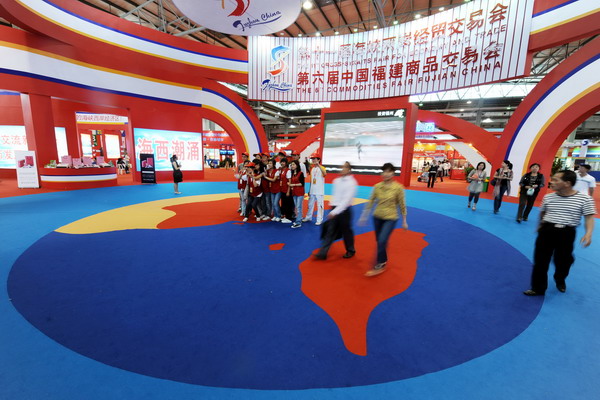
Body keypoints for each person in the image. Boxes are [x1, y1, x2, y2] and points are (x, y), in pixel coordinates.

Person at [523, 170, 596, 296]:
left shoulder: (584, 199)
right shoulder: (548, 197)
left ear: (567, 183)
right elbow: (543, 212)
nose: (551, 182)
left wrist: (588, 234)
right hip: (546, 231)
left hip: (566, 233)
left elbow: (589, 217)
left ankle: (560, 279)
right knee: (540, 261)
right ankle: (538, 288)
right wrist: (540, 225)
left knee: (563, 261)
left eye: (556, 180)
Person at [359, 163, 408, 277]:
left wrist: (404, 220)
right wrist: (364, 215)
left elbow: (402, 204)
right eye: (384, 171)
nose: (386, 174)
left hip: (391, 218)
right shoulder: (377, 186)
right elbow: (371, 201)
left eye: (389, 171)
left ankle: (381, 262)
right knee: (380, 240)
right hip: (377, 217)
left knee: (381, 240)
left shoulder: (398, 188)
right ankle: (383, 254)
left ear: (393, 173)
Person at [314, 162, 357, 260]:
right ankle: (322, 253)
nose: (342, 169)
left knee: (346, 232)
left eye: (345, 167)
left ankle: (350, 250)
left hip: (345, 211)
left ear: (349, 170)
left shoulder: (351, 183)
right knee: (330, 230)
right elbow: (336, 196)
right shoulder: (337, 181)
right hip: (335, 208)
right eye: (342, 167)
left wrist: (335, 212)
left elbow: (346, 200)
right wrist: (332, 207)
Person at [303, 153, 326, 225]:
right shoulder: (312, 169)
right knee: (310, 205)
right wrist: (309, 190)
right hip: (312, 190)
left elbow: (325, 174)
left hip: (319, 191)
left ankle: (319, 219)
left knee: (320, 206)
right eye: (312, 159)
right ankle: (308, 217)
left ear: (319, 160)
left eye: (315, 159)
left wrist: (318, 165)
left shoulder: (322, 168)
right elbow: (311, 181)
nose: (313, 160)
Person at [288, 160, 305, 228]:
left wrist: (293, 185)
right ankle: (299, 218)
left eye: (293, 164)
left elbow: (302, 183)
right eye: (291, 165)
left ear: (297, 165)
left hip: (300, 192)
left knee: (298, 207)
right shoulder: (292, 174)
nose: (292, 166)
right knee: (297, 207)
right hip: (294, 192)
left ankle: (298, 222)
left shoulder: (301, 173)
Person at [278, 158, 294, 223]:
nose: (282, 163)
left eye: (283, 162)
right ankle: (285, 216)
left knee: (288, 204)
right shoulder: (282, 170)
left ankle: (289, 217)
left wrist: (288, 191)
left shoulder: (288, 171)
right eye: (281, 162)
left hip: (287, 190)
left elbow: (289, 181)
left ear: (286, 163)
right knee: (284, 203)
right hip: (282, 189)